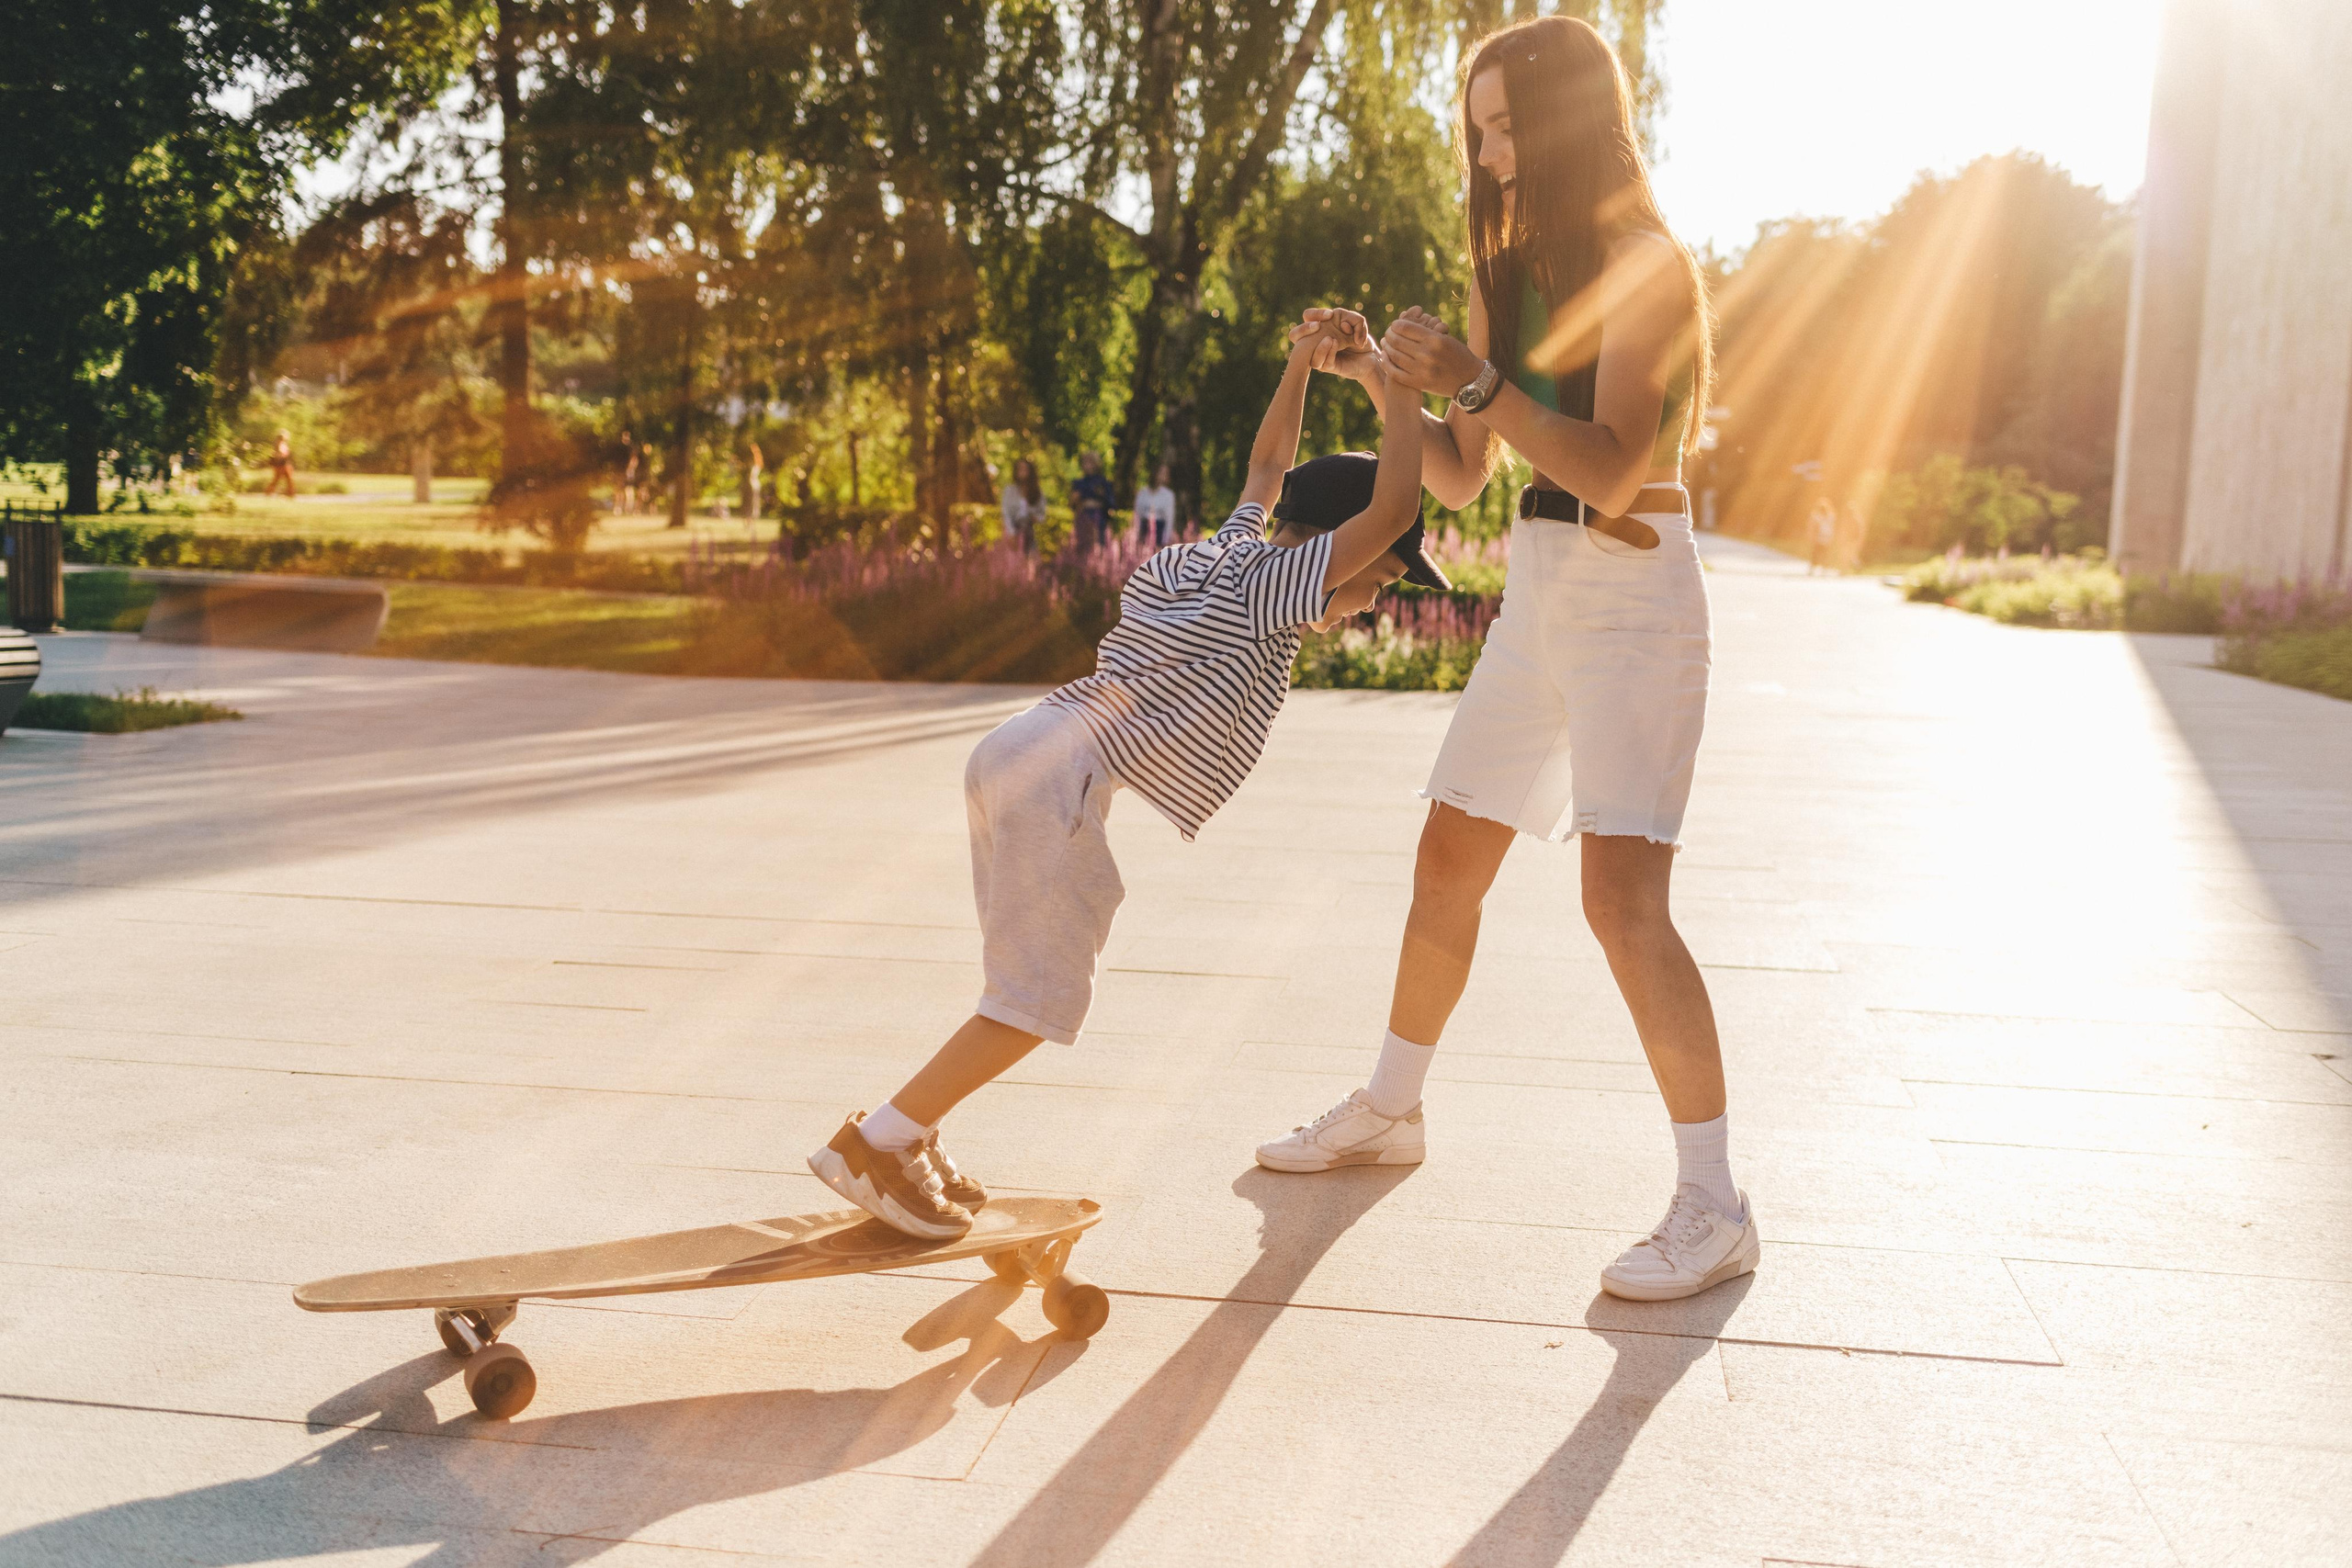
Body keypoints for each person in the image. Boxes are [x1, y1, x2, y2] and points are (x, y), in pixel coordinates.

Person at [1261, 13, 1756, 1305]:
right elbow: (1463, 476)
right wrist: (1388, 382)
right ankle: (1392, 1106)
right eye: (1475, 133)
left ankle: (1715, 1202)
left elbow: (1610, 471)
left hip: (1636, 596)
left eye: (1503, 129)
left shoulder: (1644, 265)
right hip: (1538, 594)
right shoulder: (1505, 269)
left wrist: (1476, 380)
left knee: (1621, 903)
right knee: (1447, 855)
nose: (1487, 157)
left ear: (1565, 120)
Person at [807, 324, 1446, 1238]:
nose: (1375, 600)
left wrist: (1298, 365)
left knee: (1020, 984)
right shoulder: (1275, 588)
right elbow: (1390, 509)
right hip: (1057, 780)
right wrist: (1400, 390)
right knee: (1036, 1000)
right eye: (1380, 580)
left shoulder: (1230, 548)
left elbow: (1267, 466)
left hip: (1023, 746)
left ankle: (905, 1136)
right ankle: (878, 1142)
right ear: (1335, 551)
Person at [1069, 451, 1115, 552]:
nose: (1087, 465)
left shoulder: (1103, 483)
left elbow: (1110, 504)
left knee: (1098, 547)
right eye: (1085, 462)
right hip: (1083, 517)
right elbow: (1072, 505)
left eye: (1090, 462)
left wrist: (1101, 496)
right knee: (1083, 548)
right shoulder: (1079, 483)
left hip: (1098, 519)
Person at [1001, 458, 1047, 553]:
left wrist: (1036, 518)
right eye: (1019, 469)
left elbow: (1042, 514)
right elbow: (1006, 513)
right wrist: (1011, 533)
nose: (1022, 472)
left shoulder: (1037, 493)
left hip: (1030, 533)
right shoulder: (1009, 491)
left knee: (1029, 557)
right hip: (1013, 532)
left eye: (1024, 469)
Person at [1134, 463, 1178, 547]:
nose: (1163, 476)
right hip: (1144, 531)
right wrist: (1137, 537)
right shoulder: (1142, 493)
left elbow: (1169, 519)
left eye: (1165, 473)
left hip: (1159, 533)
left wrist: (1165, 541)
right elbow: (1137, 515)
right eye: (1161, 472)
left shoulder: (1168, 495)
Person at [265, 430, 297, 499]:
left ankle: (290, 493)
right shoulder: (279, 444)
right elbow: (280, 454)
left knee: (288, 479)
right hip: (281, 464)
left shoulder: (283, 444)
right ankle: (269, 492)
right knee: (279, 479)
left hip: (285, 464)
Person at [1809, 495, 1836, 574]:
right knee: (1821, 554)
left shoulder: (1818, 516)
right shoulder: (1830, 516)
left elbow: (1812, 526)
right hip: (1824, 537)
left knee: (1818, 554)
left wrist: (1812, 536)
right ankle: (1820, 569)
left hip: (1822, 537)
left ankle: (1817, 569)